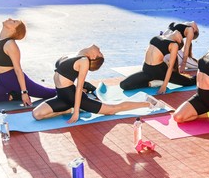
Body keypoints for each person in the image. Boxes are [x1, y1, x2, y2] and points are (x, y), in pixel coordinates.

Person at [32, 45, 163, 123]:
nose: (99, 49)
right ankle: (68, 109)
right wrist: (72, 110)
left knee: (112, 110)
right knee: (37, 115)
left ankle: (148, 103)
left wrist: (76, 112)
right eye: (100, 51)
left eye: (99, 53)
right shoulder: (74, 55)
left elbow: (79, 88)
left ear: (93, 57)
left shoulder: (83, 61)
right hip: (62, 97)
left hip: (73, 96)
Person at [0, 18, 56, 106]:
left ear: (14, 30)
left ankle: (69, 89)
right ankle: (13, 96)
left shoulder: (10, 44)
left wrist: (24, 92)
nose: (10, 19)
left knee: (49, 93)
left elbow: (18, 70)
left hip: (13, 80)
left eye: (14, 21)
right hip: (0, 80)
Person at [119, 30, 196, 94]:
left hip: (160, 71)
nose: (180, 34)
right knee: (123, 85)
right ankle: (154, 83)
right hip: (146, 70)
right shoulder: (162, 35)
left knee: (190, 82)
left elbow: (170, 67)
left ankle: (203, 74)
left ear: (178, 41)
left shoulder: (174, 45)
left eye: (181, 38)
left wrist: (164, 86)